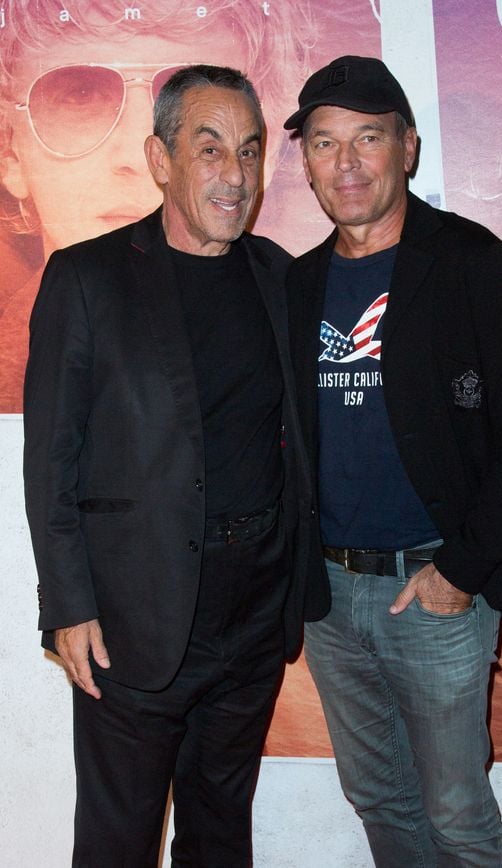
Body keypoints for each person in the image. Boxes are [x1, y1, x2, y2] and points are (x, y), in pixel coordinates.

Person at [24, 64, 324, 868]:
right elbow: (51, 456)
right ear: (161, 160)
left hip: (255, 617)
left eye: (250, 152)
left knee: (221, 836)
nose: (236, 175)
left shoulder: (280, 277)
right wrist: (68, 604)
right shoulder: (87, 279)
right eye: (210, 148)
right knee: (118, 845)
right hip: (133, 622)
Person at [283, 55, 502, 866]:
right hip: (330, 599)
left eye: (367, 138)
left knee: (456, 812)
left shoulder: (471, 262)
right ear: (305, 162)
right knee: (377, 798)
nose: (347, 164)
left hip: (436, 590)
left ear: (406, 147)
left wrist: (462, 573)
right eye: (326, 143)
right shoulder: (297, 285)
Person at [0, 0, 318, 411]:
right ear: (10, 153)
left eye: (208, 135)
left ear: (264, 155)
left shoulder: (289, 286)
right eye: (80, 95)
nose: (138, 157)